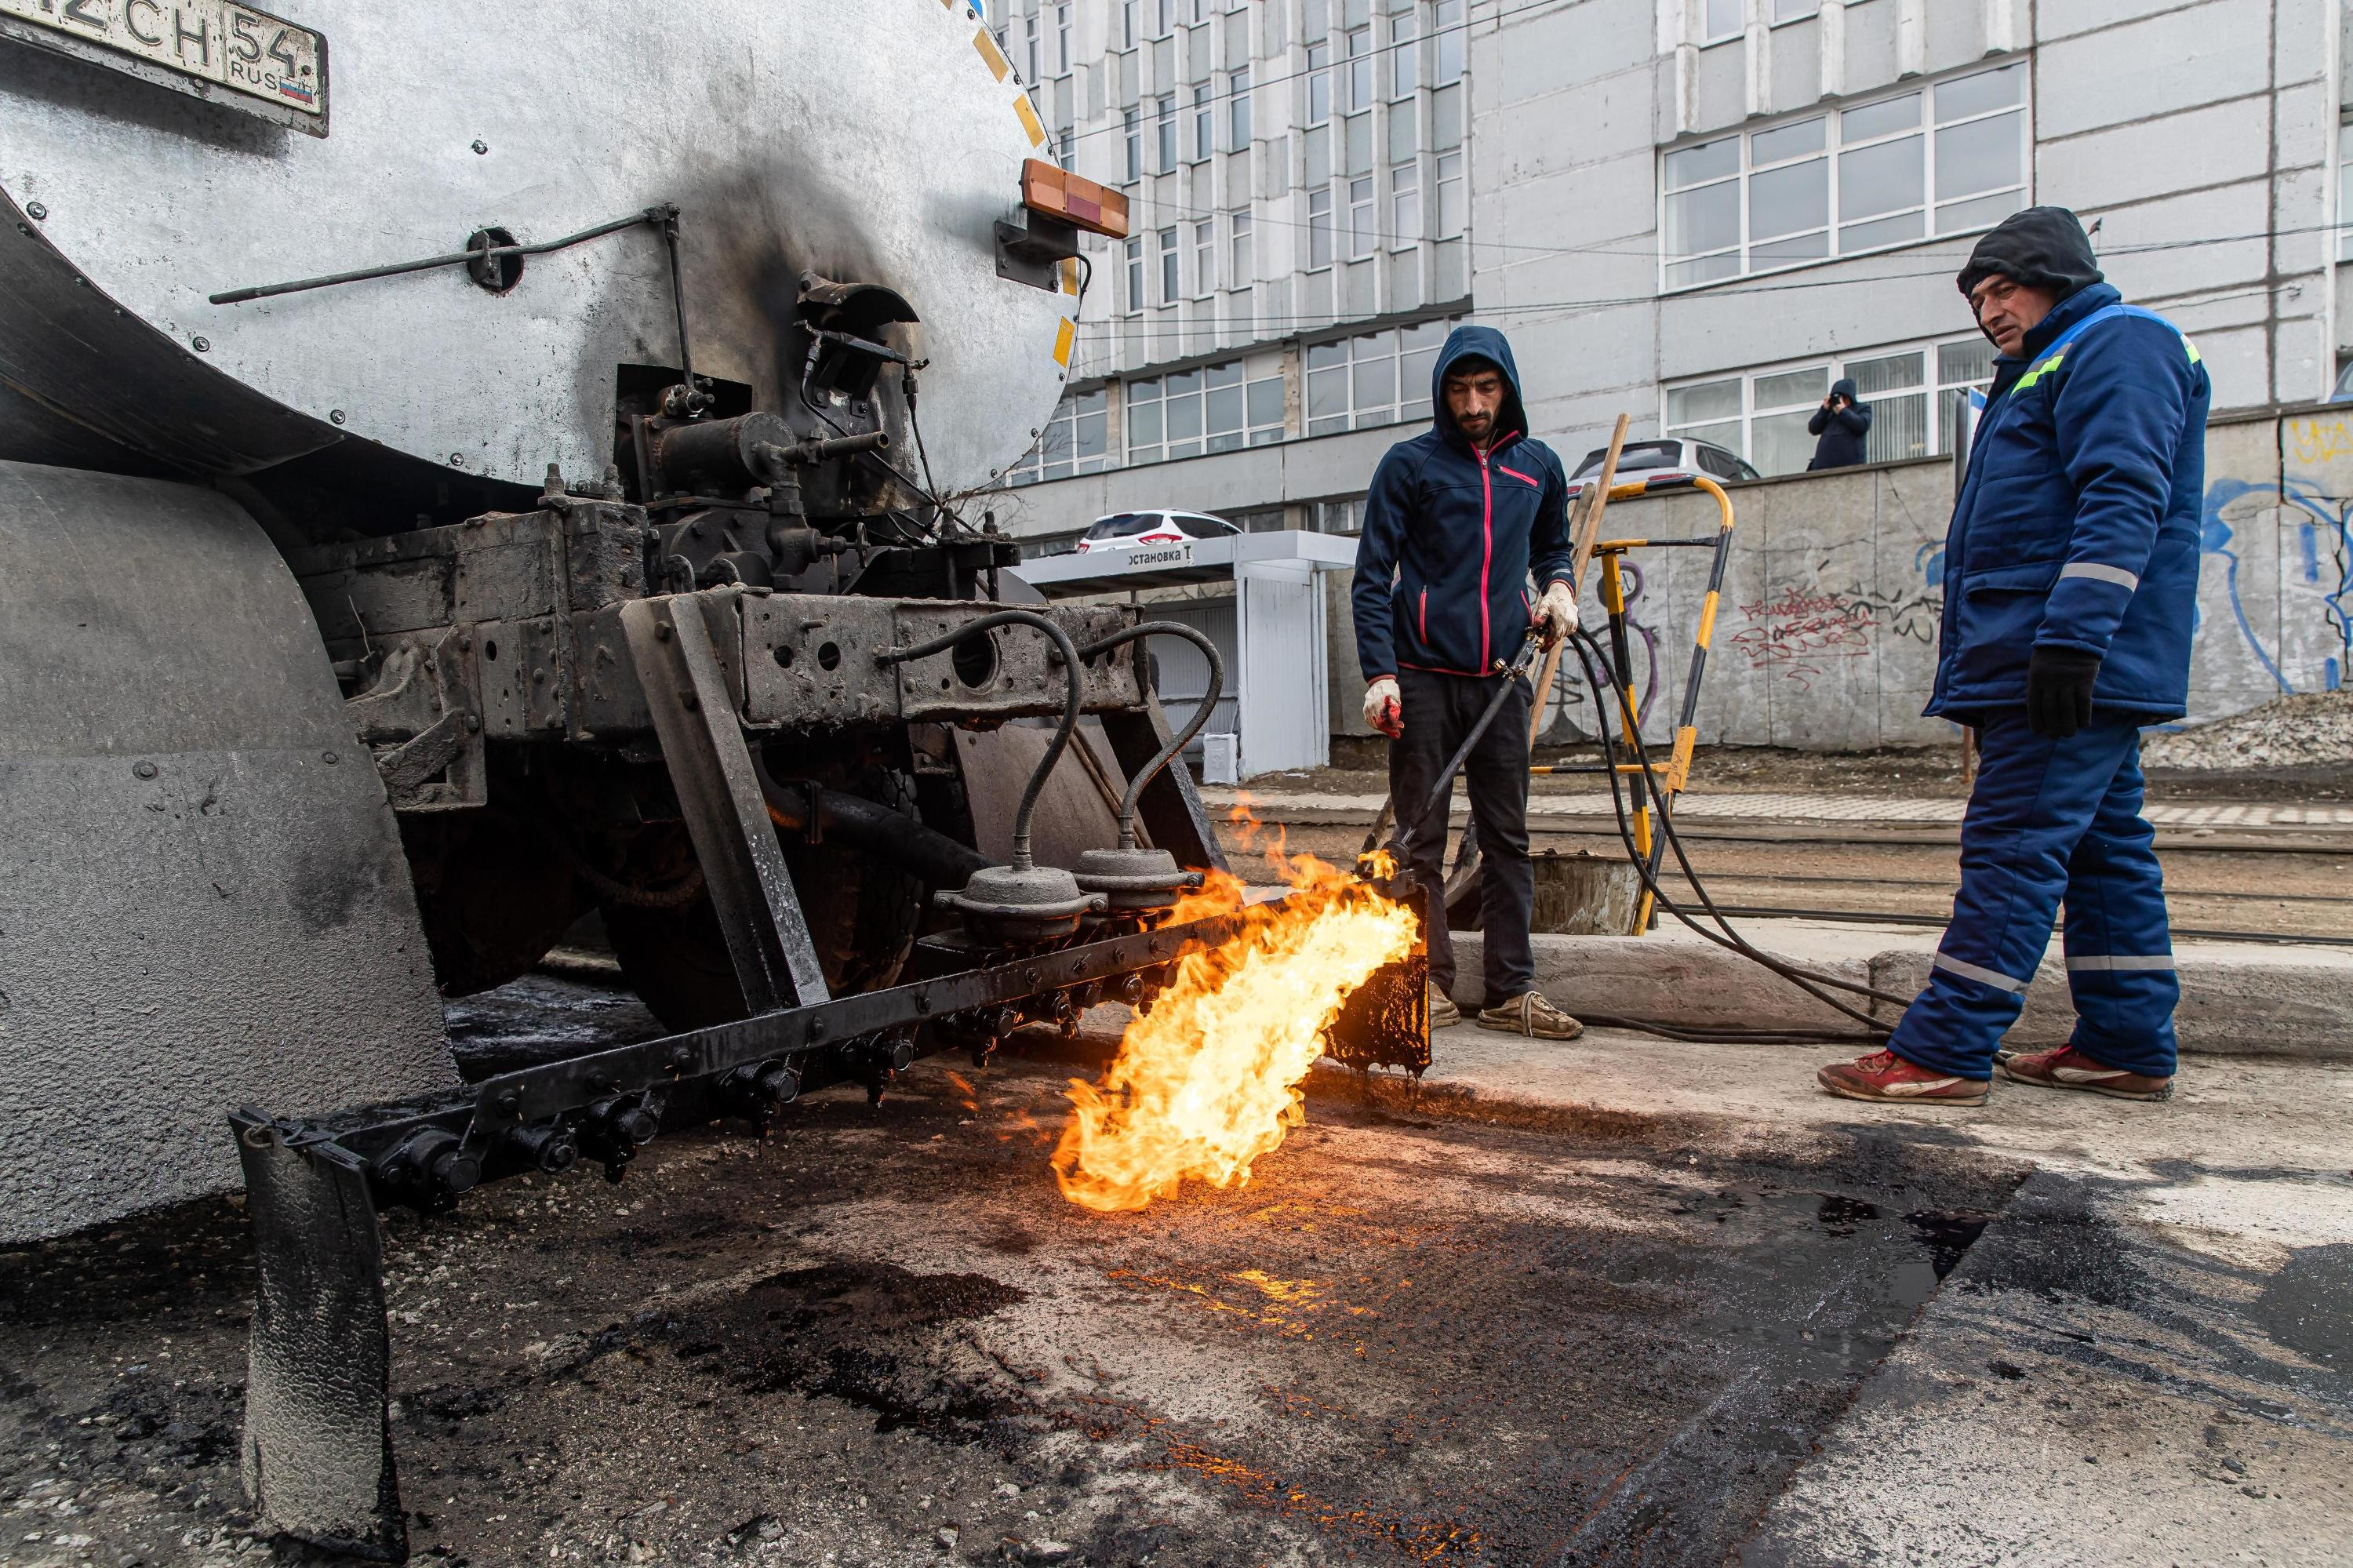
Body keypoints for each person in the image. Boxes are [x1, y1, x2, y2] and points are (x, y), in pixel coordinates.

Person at [1819, 206, 2209, 1108]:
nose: (1991, 309)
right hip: (2053, 654)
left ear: (2058, 277)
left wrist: (2072, 640)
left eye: (2005, 288)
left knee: (2013, 845)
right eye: (1979, 297)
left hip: (2062, 654)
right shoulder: (2043, 366)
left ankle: (1946, 1047)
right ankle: (2125, 1041)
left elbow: (2124, 495)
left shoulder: (2116, 344)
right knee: (2103, 850)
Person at [1353, 325, 1584, 1039]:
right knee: (1420, 842)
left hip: (1501, 681)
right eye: (1460, 388)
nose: (1473, 403)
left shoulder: (1538, 467)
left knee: (1506, 838)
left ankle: (1513, 991)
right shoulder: (1410, 465)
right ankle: (1430, 983)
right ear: (1443, 393)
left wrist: (1559, 587)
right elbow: (1371, 577)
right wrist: (1381, 674)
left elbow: (1552, 546)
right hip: (1420, 682)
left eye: (1486, 388)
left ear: (1507, 388)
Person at [1806, 378, 1872, 470]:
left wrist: (1843, 411)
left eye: (1842, 397)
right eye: (1836, 397)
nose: (1839, 400)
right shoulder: (1828, 412)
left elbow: (1862, 425)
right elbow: (1813, 428)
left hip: (1850, 465)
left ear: (1850, 397)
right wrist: (1824, 410)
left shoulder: (1862, 408)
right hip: (1823, 465)